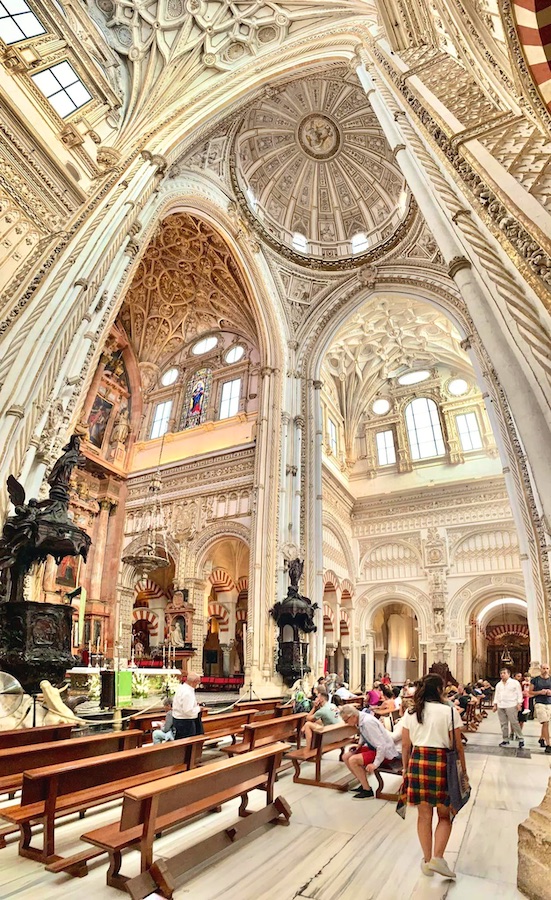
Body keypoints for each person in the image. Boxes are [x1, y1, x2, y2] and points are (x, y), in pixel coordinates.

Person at [400, 674, 467, 879]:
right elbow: (457, 745)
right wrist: (463, 772)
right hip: (442, 762)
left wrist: (405, 769)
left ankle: (427, 861)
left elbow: (405, 745)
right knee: (445, 815)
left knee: (423, 816)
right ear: (439, 689)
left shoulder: (412, 712)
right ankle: (438, 857)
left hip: (418, 760)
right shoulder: (449, 711)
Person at [341, 704, 400, 799]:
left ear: (353, 716)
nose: (345, 723)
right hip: (374, 749)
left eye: (346, 720)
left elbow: (381, 746)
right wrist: (359, 745)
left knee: (353, 760)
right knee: (346, 756)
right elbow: (363, 734)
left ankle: (367, 791)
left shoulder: (368, 722)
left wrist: (375, 764)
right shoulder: (360, 718)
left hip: (386, 754)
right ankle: (363, 783)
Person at [493, 667, 524, 747]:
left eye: (504, 673)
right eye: (501, 673)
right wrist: (495, 705)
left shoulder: (514, 683)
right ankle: (505, 739)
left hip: (511, 704)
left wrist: (519, 703)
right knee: (503, 724)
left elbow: (519, 693)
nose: (502, 675)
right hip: (501, 705)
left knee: (514, 722)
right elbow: (497, 695)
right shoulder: (499, 684)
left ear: (508, 674)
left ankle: (520, 738)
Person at [172, 672, 204, 739]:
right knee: (188, 745)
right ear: (194, 682)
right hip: (185, 723)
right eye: (198, 683)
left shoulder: (181, 688)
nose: (198, 685)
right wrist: (199, 709)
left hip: (179, 720)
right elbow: (188, 711)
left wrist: (195, 704)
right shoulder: (187, 692)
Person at [529, 663, 551, 754]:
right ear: (540, 669)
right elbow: (530, 692)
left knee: (546, 722)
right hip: (539, 702)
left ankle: (541, 738)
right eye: (543, 668)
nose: (545, 670)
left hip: (549, 702)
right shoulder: (535, 680)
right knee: (545, 722)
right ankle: (549, 744)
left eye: (547, 668)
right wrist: (540, 692)